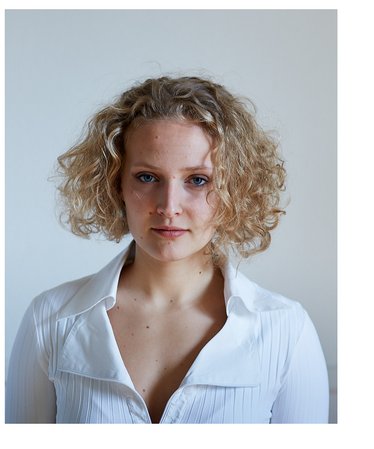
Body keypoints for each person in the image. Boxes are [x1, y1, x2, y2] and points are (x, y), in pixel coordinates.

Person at [6, 76, 329, 424]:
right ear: (115, 184)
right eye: (147, 177)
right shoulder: (49, 320)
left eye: (198, 180)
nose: (169, 206)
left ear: (235, 188)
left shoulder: (286, 331)